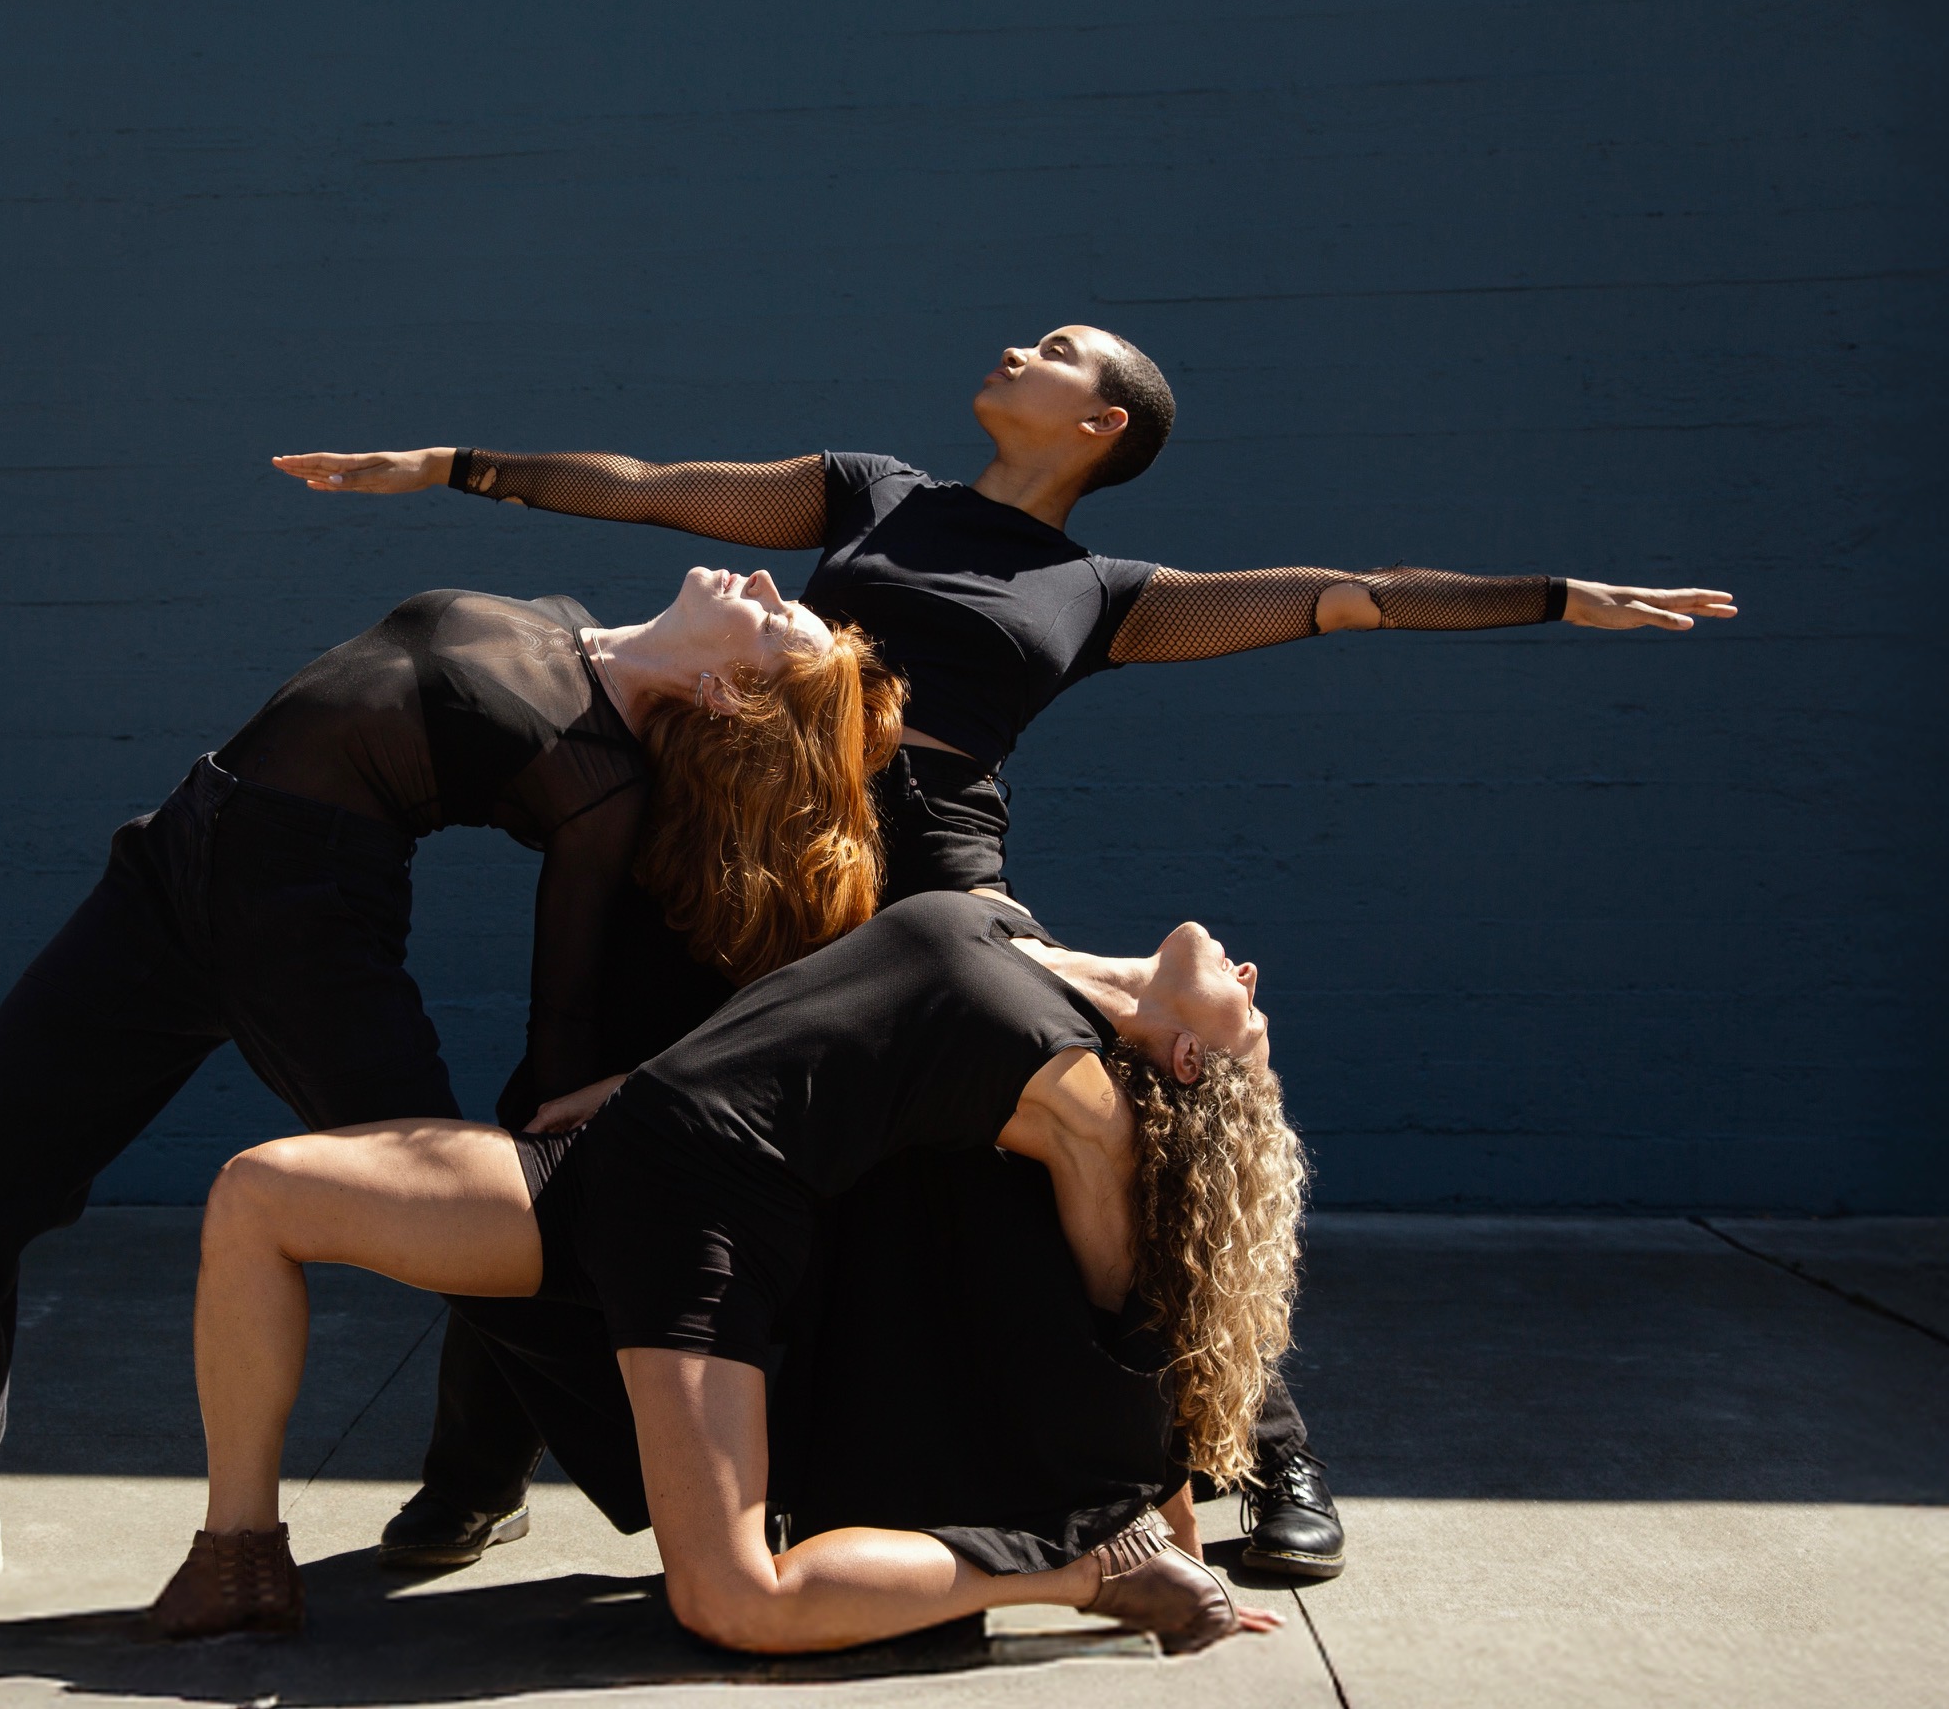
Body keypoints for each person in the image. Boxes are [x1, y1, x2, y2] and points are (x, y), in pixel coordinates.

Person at [274, 328, 1736, 1578]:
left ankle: (1262, 1452)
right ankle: (475, 1476)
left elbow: (1348, 590)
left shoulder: (1102, 589)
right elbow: (658, 495)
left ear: (1100, 424)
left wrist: (1552, 595)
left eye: (1054, 350)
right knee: (560, 1117)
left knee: (1093, 1151)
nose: (1015, 350)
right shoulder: (868, 492)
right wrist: (453, 464)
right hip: (754, 860)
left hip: (935, 896)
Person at [0, 566, 900, 1624]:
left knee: (476, 1248)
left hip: (311, 935)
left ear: (725, 692)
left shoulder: (601, 779)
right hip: (168, 871)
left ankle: (726, 1494)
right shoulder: (567, 620)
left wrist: (582, 1104)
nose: (759, 578)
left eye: (772, 617)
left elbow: (563, 1007)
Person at [151, 889, 1302, 1659]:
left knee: (733, 1599)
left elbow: (1127, 1317)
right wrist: (638, 1079)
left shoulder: (1085, 1106)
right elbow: (814, 1017)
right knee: (259, 1192)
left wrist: (1155, 1510)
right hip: (609, 1158)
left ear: (1189, 1062)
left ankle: (1075, 1572)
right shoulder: (1014, 925)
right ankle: (241, 1555)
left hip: (704, 1223)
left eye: (1253, 1013)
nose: (1253, 972)